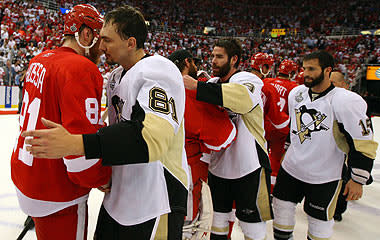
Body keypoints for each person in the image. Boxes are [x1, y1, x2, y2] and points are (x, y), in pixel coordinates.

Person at [23, 5, 189, 240]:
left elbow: (151, 138)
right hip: (119, 196)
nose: (100, 47)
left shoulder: (159, 70)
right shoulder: (114, 77)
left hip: (156, 198)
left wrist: (77, 144)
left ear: (131, 43)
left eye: (107, 40)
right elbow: (116, 129)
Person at [11, 4, 111, 240]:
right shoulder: (81, 68)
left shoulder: (39, 60)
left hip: (27, 176)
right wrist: (103, 179)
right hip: (57, 190)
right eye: (100, 39)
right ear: (87, 35)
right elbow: (80, 152)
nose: (104, 48)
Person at [272, 51, 378, 240]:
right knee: (281, 212)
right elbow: (293, 128)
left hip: (325, 176)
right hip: (292, 169)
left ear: (328, 70)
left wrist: (358, 179)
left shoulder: (346, 100)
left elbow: (363, 142)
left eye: (311, 69)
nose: (305, 73)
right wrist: (287, 149)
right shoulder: (297, 93)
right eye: (304, 68)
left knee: (319, 226)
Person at [183, 38, 273, 240]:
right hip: (219, 167)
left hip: (250, 165)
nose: (213, 61)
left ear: (234, 59)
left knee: (253, 227)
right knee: (218, 224)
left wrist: (197, 87)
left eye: (219, 57)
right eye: (213, 56)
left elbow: (242, 98)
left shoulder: (249, 79)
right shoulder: (213, 83)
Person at [168, 49, 237, 239]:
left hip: (152, 173)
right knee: (185, 228)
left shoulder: (157, 85)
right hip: (186, 171)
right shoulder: (191, 92)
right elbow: (225, 137)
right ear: (188, 62)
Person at [264, 59, 299, 187]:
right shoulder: (294, 88)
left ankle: (260, 184)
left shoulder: (266, 81)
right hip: (280, 127)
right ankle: (272, 188)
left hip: (264, 124)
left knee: (260, 155)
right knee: (275, 158)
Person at [330, 71, 350, 222]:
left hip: (341, 153)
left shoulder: (352, 103)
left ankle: (338, 208)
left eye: (333, 82)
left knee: (341, 178)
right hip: (323, 151)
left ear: (344, 85)